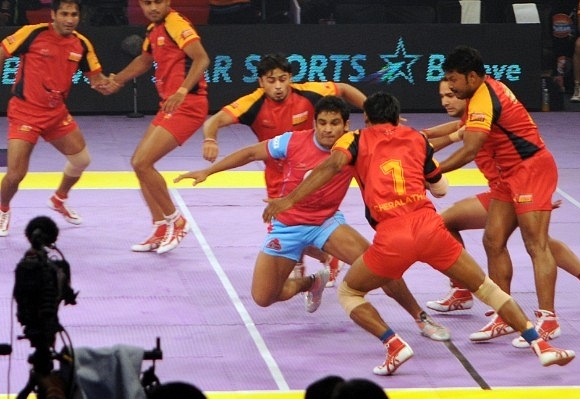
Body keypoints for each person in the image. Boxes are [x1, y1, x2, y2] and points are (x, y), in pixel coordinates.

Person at [262, 91, 575, 375]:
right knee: (489, 289)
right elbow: (440, 189)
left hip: (392, 236)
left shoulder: (352, 140)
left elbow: (330, 167)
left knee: (349, 292)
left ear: (366, 119)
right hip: (430, 229)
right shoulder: (416, 139)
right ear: (398, 119)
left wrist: (288, 199)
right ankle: (541, 345)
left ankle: (393, 343)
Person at [176, 96, 450, 341]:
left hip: (327, 223)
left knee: (383, 267)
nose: (328, 129)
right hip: (286, 227)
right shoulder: (292, 141)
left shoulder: (356, 145)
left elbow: (410, 143)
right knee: (264, 297)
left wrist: (457, 133)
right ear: (315, 123)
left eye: (334, 123)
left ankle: (419, 316)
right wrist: (208, 171)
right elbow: (250, 153)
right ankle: (312, 283)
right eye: (322, 123)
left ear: (345, 125)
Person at [424, 79, 580, 342]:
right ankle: (468, 294)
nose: (447, 100)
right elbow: (444, 133)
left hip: (525, 179)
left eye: (452, 94)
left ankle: (557, 310)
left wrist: (431, 171)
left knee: (537, 242)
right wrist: (414, 138)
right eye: (442, 96)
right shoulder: (470, 119)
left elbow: (463, 145)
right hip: (502, 188)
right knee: (462, 227)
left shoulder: (482, 112)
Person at [439, 45, 569, 349]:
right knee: (492, 240)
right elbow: (457, 131)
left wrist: (431, 174)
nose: (451, 86)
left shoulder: (484, 98)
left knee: (536, 245)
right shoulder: (479, 93)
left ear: (471, 77)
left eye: (453, 80)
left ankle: (548, 319)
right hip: (507, 176)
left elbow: (469, 149)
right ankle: (504, 315)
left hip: (531, 169)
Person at [202, 53, 366, 285]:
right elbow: (214, 121)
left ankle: (329, 256)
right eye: (271, 80)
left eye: (282, 79)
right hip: (278, 177)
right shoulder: (252, 103)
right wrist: (210, 139)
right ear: (261, 82)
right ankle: (321, 257)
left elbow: (344, 89)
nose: (278, 86)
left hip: (312, 170)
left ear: (290, 78)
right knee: (286, 228)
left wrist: (370, 112)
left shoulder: (308, 92)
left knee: (307, 225)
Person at [0, 0, 112, 237]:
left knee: (81, 159)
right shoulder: (32, 33)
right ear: (53, 15)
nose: (69, 19)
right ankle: (3, 209)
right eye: (64, 14)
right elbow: (2, 52)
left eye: (73, 14)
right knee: (16, 174)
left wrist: (107, 84)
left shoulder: (81, 44)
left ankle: (59, 198)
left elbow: (95, 78)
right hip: (25, 112)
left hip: (56, 113)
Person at [106, 0, 211, 254]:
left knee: (143, 163)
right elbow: (144, 60)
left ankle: (177, 220)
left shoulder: (176, 23)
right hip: (170, 105)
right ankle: (161, 226)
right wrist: (117, 80)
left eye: (158, 1)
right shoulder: (153, 30)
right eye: (147, 3)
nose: (153, 7)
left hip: (188, 105)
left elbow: (202, 58)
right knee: (138, 163)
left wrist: (183, 90)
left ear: (168, 2)